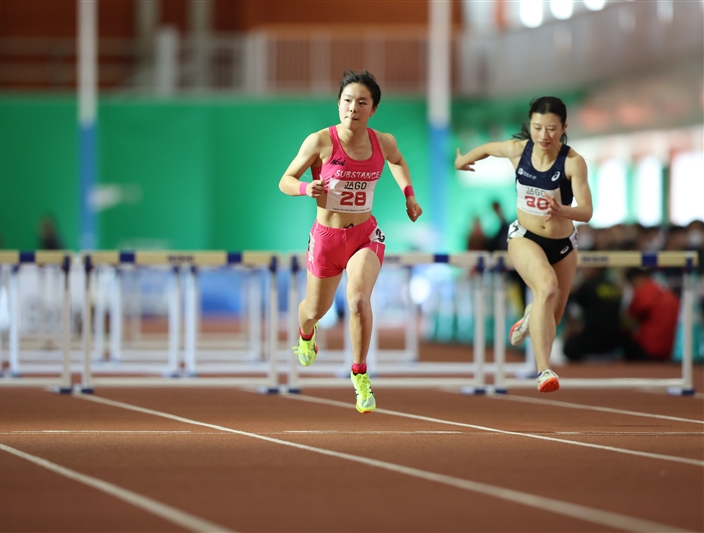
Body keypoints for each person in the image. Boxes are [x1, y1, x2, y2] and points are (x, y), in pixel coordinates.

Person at [279, 69, 423, 413]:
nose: (352, 108)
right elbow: (285, 179)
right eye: (347, 101)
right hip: (327, 239)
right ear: (339, 104)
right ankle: (305, 332)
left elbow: (398, 161)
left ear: (372, 109)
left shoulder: (382, 141)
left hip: (364, 235)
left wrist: (409, 195)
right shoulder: (320, 141)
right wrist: (304, 188)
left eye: (362, 102)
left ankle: (360, 375)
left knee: (358, 301)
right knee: (315, 310)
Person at [455, 96, 593, 393]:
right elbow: (488, 149)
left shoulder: (572, 163)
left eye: (551, 129)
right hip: (524, 237)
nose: (544, 135)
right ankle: (544, 370)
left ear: (564, 127)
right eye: (537, 128)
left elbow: (587, 210)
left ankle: (531, 318)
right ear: (530, 126)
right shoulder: (519, 151)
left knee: (551, 316)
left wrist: (562, 210)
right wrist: (463, 159)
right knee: (546, 288)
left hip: (564, 244)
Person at [622, 267, 680, 361]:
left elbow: (626, 323)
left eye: (631, 284)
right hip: (668, 349)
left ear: (636, 279)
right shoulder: (666, 292)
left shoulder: (643, 294)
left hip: (648, 349)